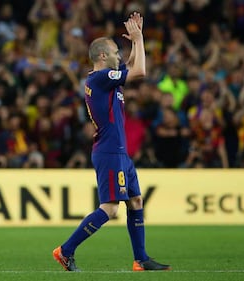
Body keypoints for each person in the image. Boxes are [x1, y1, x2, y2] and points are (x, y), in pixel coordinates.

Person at [52, 12, 170, 272]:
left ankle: (141, 259)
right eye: (115, 51)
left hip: (119, 152)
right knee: (110, 208)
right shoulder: (99, 78)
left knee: (136, 201)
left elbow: (128, 67)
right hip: (109, 152)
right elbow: (139, 71)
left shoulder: (104, 80)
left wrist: (137, 40)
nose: (119, 55)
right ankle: (65, 250)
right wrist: (139, 41)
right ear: (103, 56)